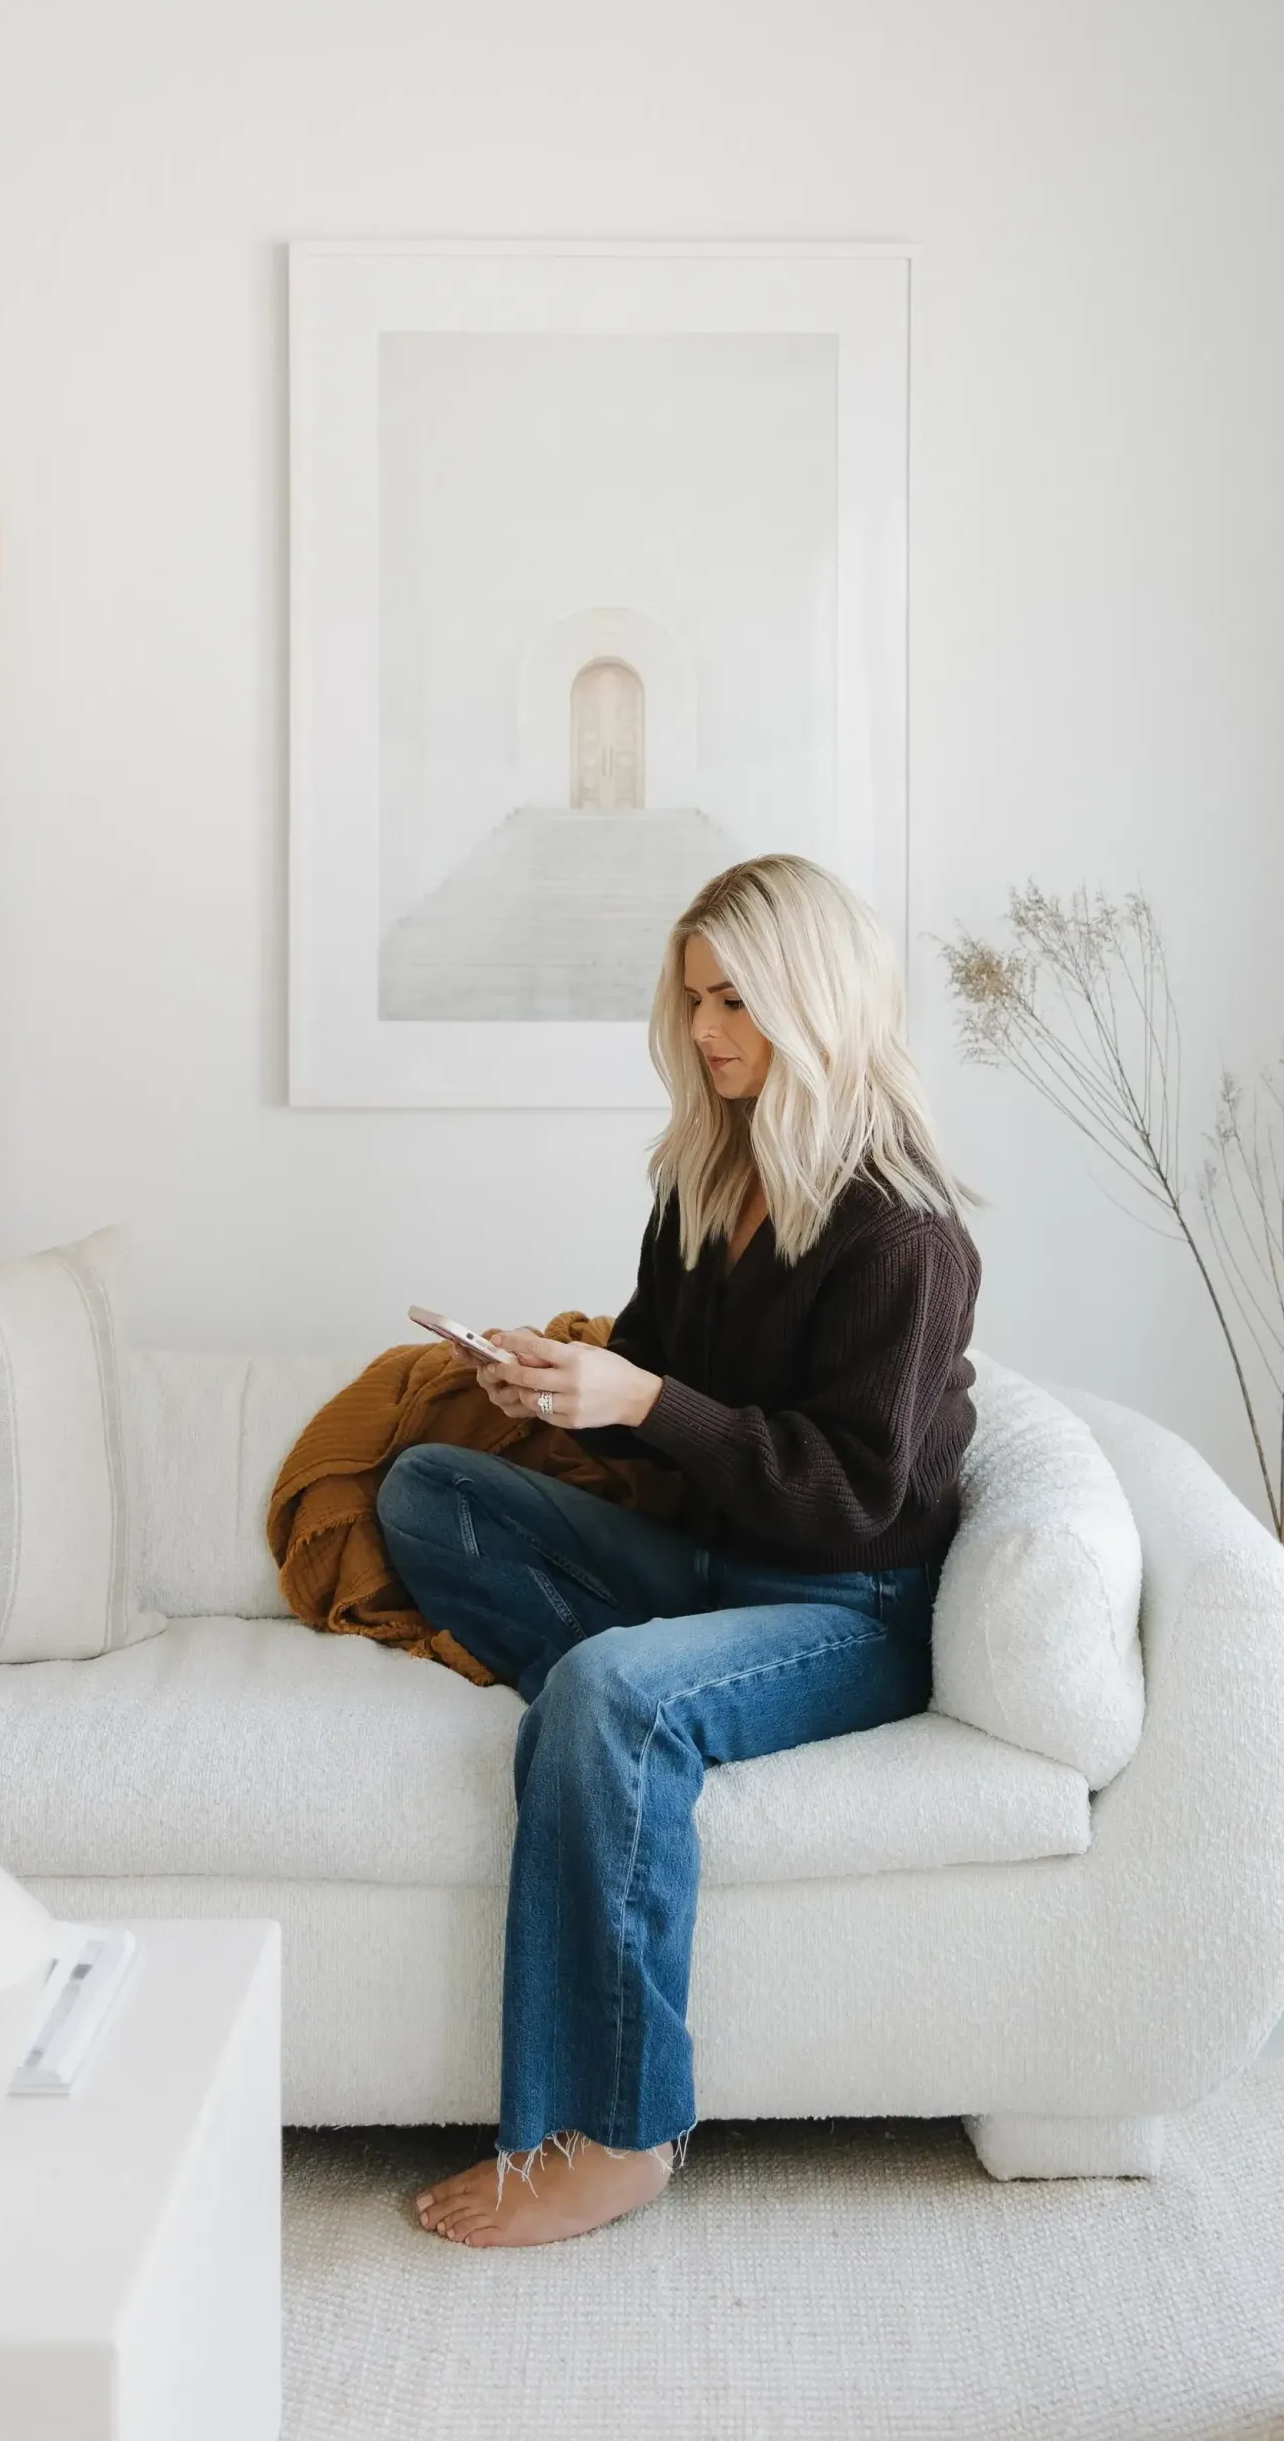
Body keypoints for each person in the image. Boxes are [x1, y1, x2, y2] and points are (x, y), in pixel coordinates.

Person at [376, 853, 981, 2248]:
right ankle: (632, 1731)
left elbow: (851, 1493)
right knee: (427, 1490)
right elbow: (657, 1400)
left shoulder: (907, 1236)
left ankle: (625, 2132)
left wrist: (646, 1401)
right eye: (696, 997)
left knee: (605, 1695)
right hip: (705, 1567)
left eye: (737, 1000)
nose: (705, 1029)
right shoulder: (709, 1186)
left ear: (814, 1002)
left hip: (849, 1604)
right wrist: (560, 1385)